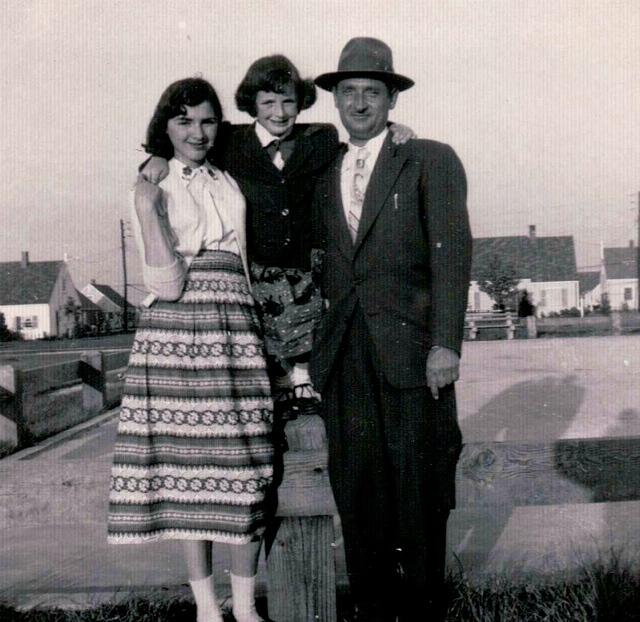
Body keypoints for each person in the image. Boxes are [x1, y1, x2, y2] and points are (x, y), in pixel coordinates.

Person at [141, 55, 413, 418]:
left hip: (306, 263)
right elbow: (188, 144)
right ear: (251, 104)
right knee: (268, 339)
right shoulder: (229, 141)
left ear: (301, 103)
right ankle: (280, 391)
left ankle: (303, 384)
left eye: (288, 101)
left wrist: (393, 129)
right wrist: (154, 157)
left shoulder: (320, 137)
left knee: (309, 334)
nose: (280, 112)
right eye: (268, 102)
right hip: (260, 265)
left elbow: (358, 147)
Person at [311, 38, 473, 621]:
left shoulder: (428, 157)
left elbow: (452, 256)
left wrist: (445, 343)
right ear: (333, 100)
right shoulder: (321, 164)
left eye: (371, 92)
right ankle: (374, 609)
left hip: (412, 354)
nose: (358, 103)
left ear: (391, 99)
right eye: (347, 92)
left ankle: (426, 606)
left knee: (419, 486)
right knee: (357, 490)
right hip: (343, 357)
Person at [107, 78, 272, 622]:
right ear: (166, 127)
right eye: (184, 122)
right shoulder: (151, 186)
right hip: (177, 335)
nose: (197, 133)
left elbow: (293, 128)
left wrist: (397, 132)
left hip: (234, 332)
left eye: (207, 121)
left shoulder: (228, 176)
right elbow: (167, 283)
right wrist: (145, 203)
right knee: (189, 479)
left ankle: (245, 610)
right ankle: (207, 611)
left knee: (242, 474)